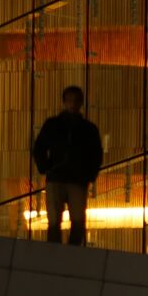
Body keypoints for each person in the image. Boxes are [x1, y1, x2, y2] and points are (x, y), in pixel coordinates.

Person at [32, 85, 103, 246]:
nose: (73, 104)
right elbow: (39, 148)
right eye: (70, 100)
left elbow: (96, 155)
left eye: (75, 101)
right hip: (66, 178)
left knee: (66, 221)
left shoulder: (58, 125)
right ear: (65, 102)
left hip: (67, 178)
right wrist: (89, 174)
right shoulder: (85, 128)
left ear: (80, 103)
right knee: (65, 221)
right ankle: (70, 254)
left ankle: (57, 254)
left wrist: (46, 167)